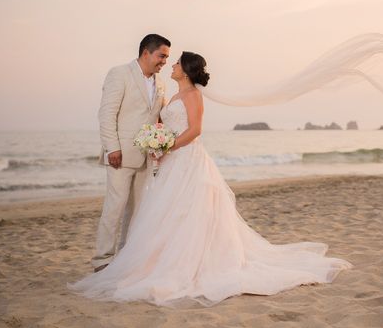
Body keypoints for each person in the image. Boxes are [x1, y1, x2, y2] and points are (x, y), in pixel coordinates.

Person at [71, 51, 353, 306]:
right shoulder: (171, 94)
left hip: (188, 161)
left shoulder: (193, 95)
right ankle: (152, 261)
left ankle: (186, 264)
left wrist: (165, 146)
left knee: (188, 213)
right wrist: (156, 144)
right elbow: (162, 123)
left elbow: (194, 130)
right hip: (170, 163)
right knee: (166, 214)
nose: (172, 64)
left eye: (177, 62)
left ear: (187, 70)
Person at [91, 34, 171, 272]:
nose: (164, 62)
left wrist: (162, 142)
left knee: (136, 210)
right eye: (161, 56)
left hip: (146, 155)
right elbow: (106, 114)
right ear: (146, 52)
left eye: (167, 58)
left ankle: (125, 258)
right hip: (121, 155)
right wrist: (112, 148)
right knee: (114, 208)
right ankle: (102, 260)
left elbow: (158, 116)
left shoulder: (161, 84)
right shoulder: (119, 74)